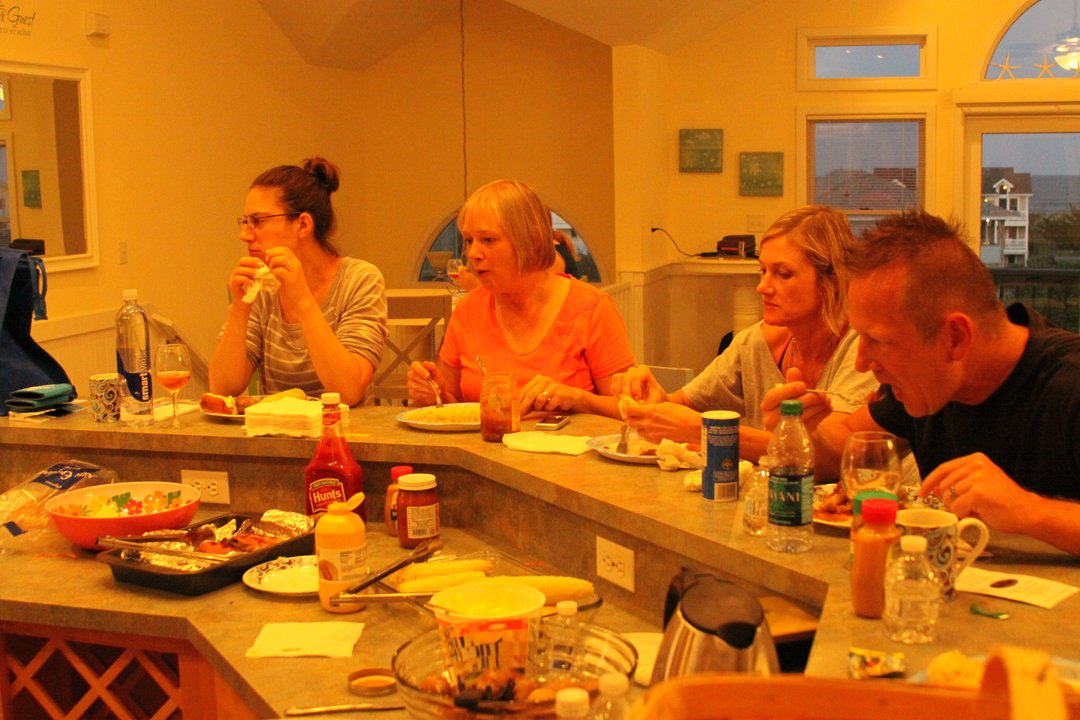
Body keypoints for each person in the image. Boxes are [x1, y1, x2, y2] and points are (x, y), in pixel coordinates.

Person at [778, 211, 1080, 554]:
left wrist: (1030, 510)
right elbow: (844, 450)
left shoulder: (1069, 384)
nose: (862, 363)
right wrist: (797, 432)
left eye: (880, 341)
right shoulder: (923, 385)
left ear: (955, 337)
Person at [613, 205, 878, 462]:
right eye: (763, 270)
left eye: (783, 274)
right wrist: (656, 400)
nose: (762, 287)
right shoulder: (754, 343)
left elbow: (831, 456)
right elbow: (684, 404)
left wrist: (706, 431)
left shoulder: (864, 348)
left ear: (832, 280)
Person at [407, 179, 634, 416]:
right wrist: (434, 393)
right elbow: (451, 402)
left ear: (533, 240)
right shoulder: (468, 309)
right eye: (468, 240)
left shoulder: (591, 308)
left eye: (488, 240)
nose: (473, 253)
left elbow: (630, 409)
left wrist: (577, 399)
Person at [209, 157, 388, 407]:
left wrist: (302, 299)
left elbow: (349, 390)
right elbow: (223, 388)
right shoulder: (263, 285)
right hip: (275, 429)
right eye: (245, 221)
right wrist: (239, 310)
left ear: (302, 224)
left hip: (345, 429)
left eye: (258, 221)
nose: (244, 234)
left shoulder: (360, 279)